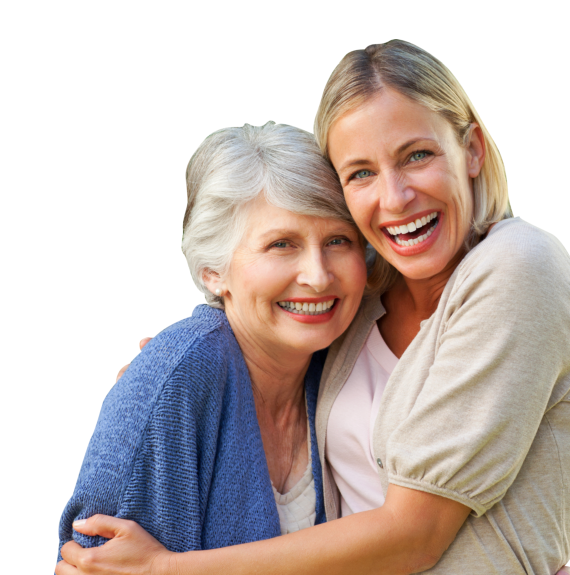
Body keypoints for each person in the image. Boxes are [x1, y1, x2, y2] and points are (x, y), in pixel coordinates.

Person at [57, 41, 570, 575]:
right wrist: (167, 376)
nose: (395, 196)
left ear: (473, 149)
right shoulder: (366, 303)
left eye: (417, 155)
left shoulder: (519, 264)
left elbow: (416, 535)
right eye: (360, 172)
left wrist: (170, 571)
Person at [55, 122, 368, 566]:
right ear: (212, 271)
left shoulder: (346, 363)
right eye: (281, 244)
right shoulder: (175, 382)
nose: (318, 276)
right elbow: (89, 559)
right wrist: (158, 378)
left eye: (339, 240)